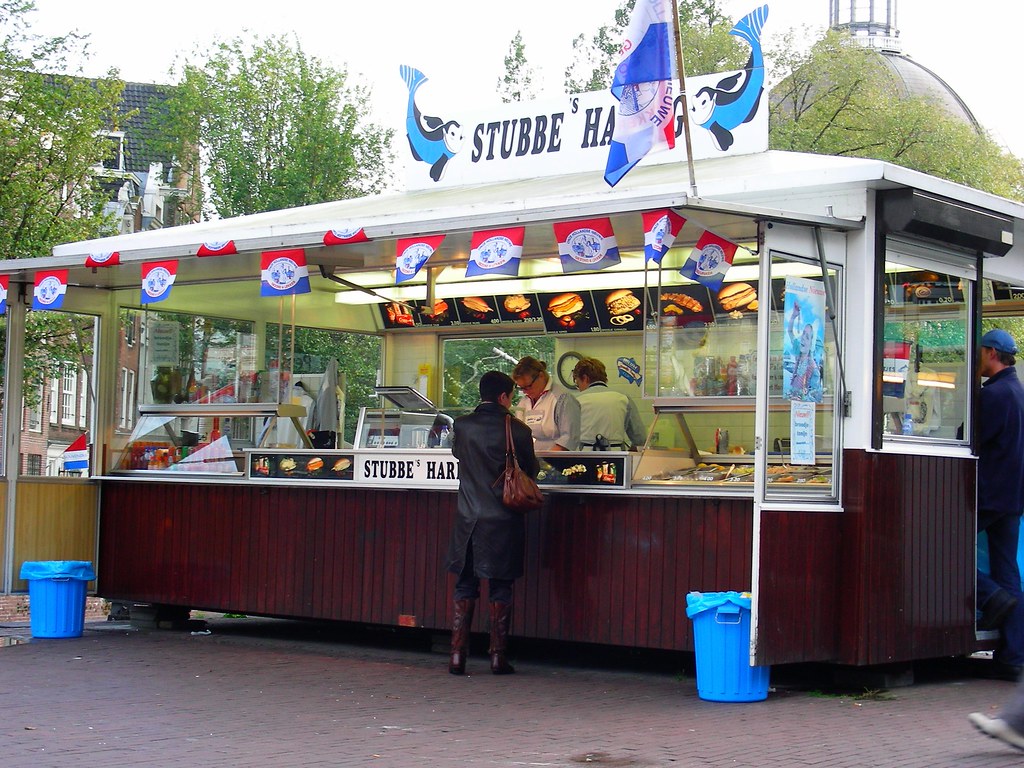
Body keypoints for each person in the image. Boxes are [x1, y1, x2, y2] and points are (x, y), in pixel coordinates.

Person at [444, 370, 539, 676]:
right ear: (503, 397)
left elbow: (458, 455)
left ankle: (457, 656)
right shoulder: (519, 430)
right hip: (504, 521)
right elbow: (532, 470)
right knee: (501, 588)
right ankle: (498, 657)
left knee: (465, 585)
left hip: (468, 519)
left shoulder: (462, 426)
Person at [975, 328, 1024, 677]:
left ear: (991, 352)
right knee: (1008, 571)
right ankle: (1013, 655)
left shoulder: (993, 395)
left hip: (988, 493)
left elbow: (971, 438)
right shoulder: (1019, 392)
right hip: (1013, 497)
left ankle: (990, 596)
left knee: (942, 551)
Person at [571, 356, 646, 450]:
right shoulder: (623, 397)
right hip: (617, 458)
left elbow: (566, 437)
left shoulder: (575, 400)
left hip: (584, 458)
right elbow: (640, 438)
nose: (579, 388)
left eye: (578, 383)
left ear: (585, 378)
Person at [511, 356, 580, 451]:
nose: (526, 392)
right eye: (522, 388)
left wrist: (548, 460)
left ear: (541, 376)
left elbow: (569, 438)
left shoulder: (562, 398)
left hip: (558, 459)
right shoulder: (524, 402)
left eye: (528, 386)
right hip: (534, 458)